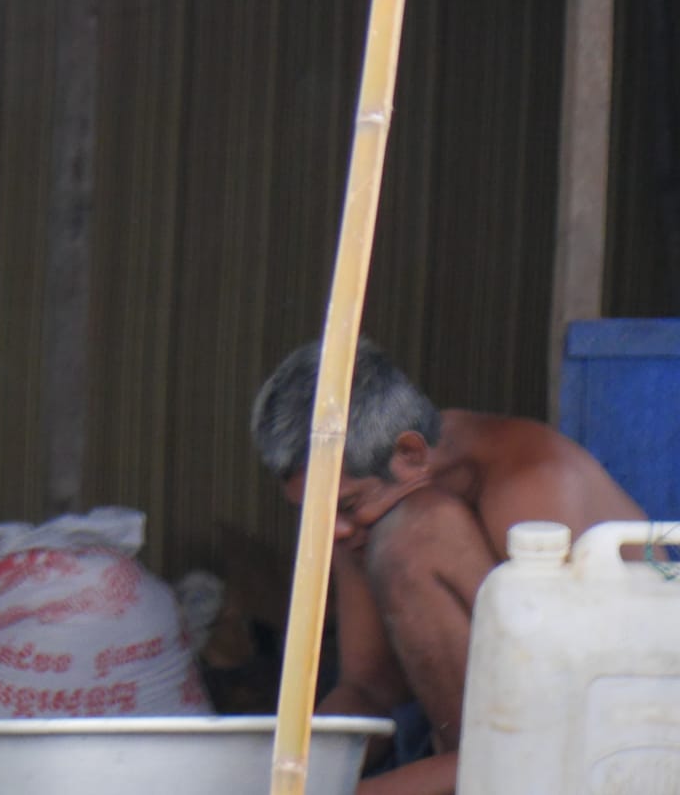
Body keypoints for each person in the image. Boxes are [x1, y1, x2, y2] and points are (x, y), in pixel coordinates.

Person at [251, 338, 644, 795]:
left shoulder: (534, 482)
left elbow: (573, 718)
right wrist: (295, 770)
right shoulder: (360, 515)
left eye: (347, 504)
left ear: (411, 454)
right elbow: (369, 689)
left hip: (609, 733)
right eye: (313, 513)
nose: (330, 532)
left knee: (414, 534)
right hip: (487, 747)